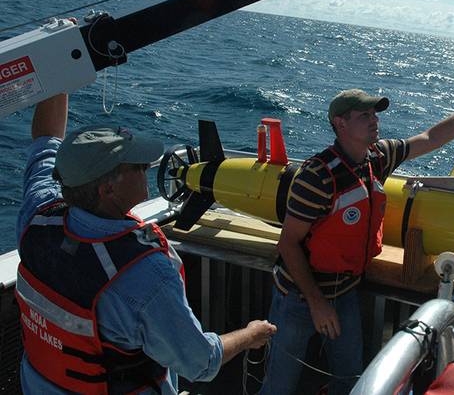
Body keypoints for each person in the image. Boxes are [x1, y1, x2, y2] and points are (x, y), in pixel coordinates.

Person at [16, 93, 277, 394]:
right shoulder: (144, 274)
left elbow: (45, 141)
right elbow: (201, 362)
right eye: (137, 167)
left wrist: (60, 71)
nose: (147, 168)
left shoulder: (37, 214)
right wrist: (251, 334)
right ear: (108, 189)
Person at [260, 72, 454, 395]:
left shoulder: (377, 158)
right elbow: (287, 244)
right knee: (280, 385)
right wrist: (317, 303)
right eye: (364, 116)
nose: (374, 121)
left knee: (350, 379)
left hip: (344, 293)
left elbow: (430, 138)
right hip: (300, 298)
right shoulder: (316, 177)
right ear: (340, 124)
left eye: (375, 114)